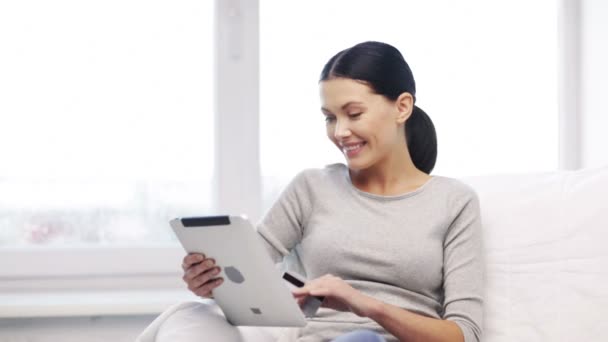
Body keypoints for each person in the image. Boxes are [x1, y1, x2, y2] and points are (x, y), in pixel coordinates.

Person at [139, 41, 483, 342]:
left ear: (402, 107)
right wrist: (212, 283)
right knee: (188, 316)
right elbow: (248, 274)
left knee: (363, 338)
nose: (340, 132)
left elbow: (463, 335)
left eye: (354, 113)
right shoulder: (313, 187)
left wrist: (364, 303)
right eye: (329, 118)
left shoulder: (454, 202)